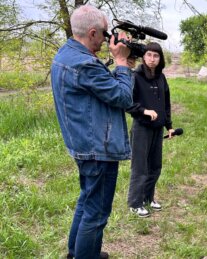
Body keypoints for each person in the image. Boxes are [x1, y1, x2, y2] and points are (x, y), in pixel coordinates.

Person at [50, 5, 133, 258]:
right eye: (106, 33)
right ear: (93, 32)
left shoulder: (65, 54)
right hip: (98, 148)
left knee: (87, 201)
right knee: (96, 214)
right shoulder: (85, 63)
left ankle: (76, 253)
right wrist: (121, 62)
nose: (108, 39)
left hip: (83, 143)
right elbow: (123, 96)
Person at [126, 42, 175, 218]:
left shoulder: (161, 77)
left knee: (155, 166)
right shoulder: (135, 76)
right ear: (143, 57)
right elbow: (127, 102)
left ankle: (148, 198)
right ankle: (135, 203)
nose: (152, 59)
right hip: (141, 128)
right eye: (149, 55)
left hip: (157, 129)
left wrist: (168, 125)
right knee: (140, 167)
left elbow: (165, 103)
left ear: (160, 58)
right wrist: (144, 111)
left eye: (156, 56)